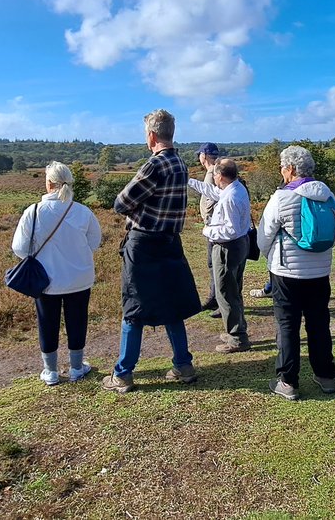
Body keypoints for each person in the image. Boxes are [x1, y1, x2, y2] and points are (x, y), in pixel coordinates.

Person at [102, 109, 202, 393]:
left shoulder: (153, 166)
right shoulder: (181, 164)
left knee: (133, 307)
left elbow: (120, 203)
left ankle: (123, 373)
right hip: (170, 242)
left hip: (143, 243)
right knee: (172, 306)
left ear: (152, 136)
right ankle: (183, 365)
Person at [256, 145, 335, 400]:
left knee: (287, 326)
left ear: (290, 169)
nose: (282, 172)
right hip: (319, 272)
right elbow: (334, 235)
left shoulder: (281, 198)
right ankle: (326, 376)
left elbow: (264, 236)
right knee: (318, 324)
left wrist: (269, 257)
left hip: (287, 272)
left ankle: (288, 381)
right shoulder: (329, 196)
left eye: (282, 167)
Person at [11, 162, 102, 385]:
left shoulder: (33, 212)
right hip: (79, 279)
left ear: (49, 183)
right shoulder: (82, 212)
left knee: (47, 322)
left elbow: (19, 249)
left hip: (46, 281)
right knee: (78, 321)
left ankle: (50, 372)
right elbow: (95, 242)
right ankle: (77, 368)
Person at [188, 158, 253, 352]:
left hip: (227, 247)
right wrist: (189, 180)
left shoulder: (231, 198)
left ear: (220, 176)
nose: (213, 176)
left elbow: (230, 230)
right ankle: (237, 329)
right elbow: (213, 192)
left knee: (225, 293)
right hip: (240, 245)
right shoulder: (235, 188)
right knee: (234, 289)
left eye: (215, 173)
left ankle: (237, 338)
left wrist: (207, 231)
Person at [195, 142, 222, 316]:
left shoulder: (214, 173)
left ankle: (220, 301)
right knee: (213, 264)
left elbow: (215, 197)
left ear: (204, 156)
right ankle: (215, 298)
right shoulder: (217, 170)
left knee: (217, 265)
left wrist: (209, 217)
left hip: (215, 226)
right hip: (214, 225)